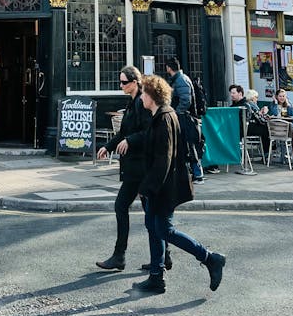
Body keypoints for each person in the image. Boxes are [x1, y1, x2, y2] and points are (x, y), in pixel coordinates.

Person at [136, 74, 226, 295]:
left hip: (164, 187)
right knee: (154, 227)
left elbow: (163, 159)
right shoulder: (161, 115)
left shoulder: (165, 118)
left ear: (152, 96)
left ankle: (209, 258)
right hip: (160, 186)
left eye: (144, 94)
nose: (141, 98)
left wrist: (148, 189)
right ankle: (156, 276)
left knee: (164, 229)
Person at [95, 66, 151, 272]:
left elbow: (148, 132)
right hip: (133, 166)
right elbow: (123, 133)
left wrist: (130, 140)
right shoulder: (131, 103)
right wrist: (107, 147)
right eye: (120, 82)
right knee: (148, 212)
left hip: (140, 167)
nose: (121, 86)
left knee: (129, 208)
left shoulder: (142, 103)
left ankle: (121, 256)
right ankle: (162, 257)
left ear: (135, 82)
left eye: (124, 82)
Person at [165, 57, 205, 183]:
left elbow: (185, 100)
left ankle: (198, 175)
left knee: (189, 146)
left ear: (168, 68)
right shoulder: (180, 79)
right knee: (185, 147)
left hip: (184, 118)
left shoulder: (181, 80)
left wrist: (175, 113)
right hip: (184, 117)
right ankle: (190, 174)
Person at [244, 88, 269, 155]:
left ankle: (266, 151)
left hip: (248, 128)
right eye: (256, 97)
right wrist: (264, 113)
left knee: (266, 129)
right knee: (267, 130)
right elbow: (258, 118)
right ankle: (266, 152)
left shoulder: (247, 104)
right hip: (252, 128)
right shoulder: (252, 105)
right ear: (252, 98)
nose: (257, 99)